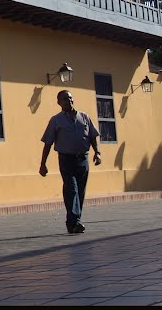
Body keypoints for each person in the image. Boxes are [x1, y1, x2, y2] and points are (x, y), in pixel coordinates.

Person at [39, 89, 101, 234]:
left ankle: (72, 223)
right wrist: (43, 164)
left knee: (80, 191)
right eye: (65, 99)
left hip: (83, 159)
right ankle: (76, 222)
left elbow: (92, 136)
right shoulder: (56, 120)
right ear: (59, 103)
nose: (69, 101)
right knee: (71, 188)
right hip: (66, 159)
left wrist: (97, 153)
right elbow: (48, 142)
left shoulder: (84, 117)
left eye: (71, 98)